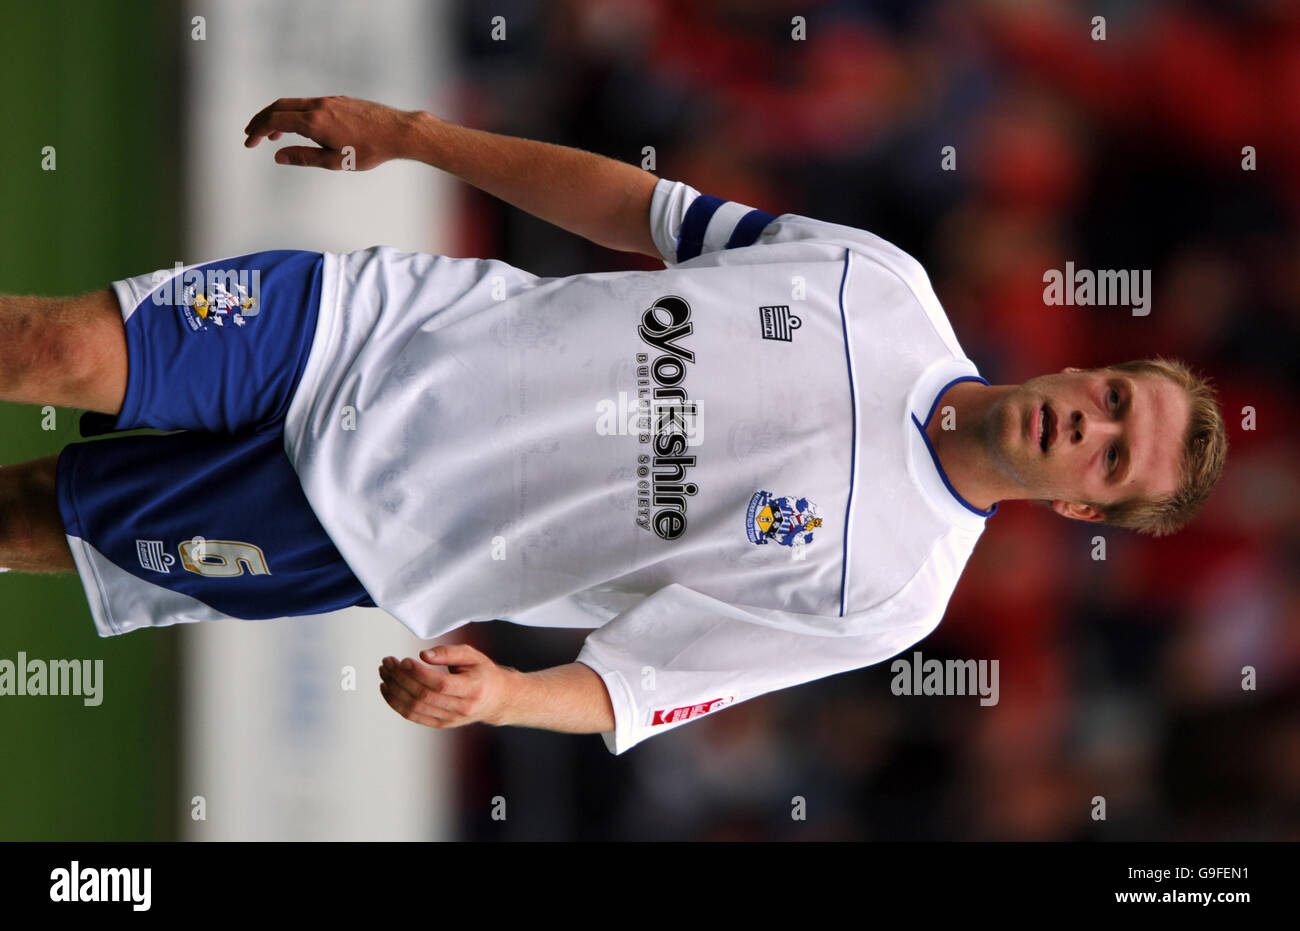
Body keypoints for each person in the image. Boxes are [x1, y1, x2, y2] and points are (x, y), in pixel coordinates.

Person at [0, 96, 1227, 755]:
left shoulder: (893, 595)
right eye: (1116, 398)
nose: (1090, 425)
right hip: (375, 325)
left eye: (1112, 459)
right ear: (1093, 363)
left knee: (27, 517)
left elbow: (645, 687)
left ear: (1081, 507)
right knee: (42, 350)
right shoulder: (882, 285)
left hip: (368, 531)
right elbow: (642, 207)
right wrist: (415, 137)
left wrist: (500, 699)